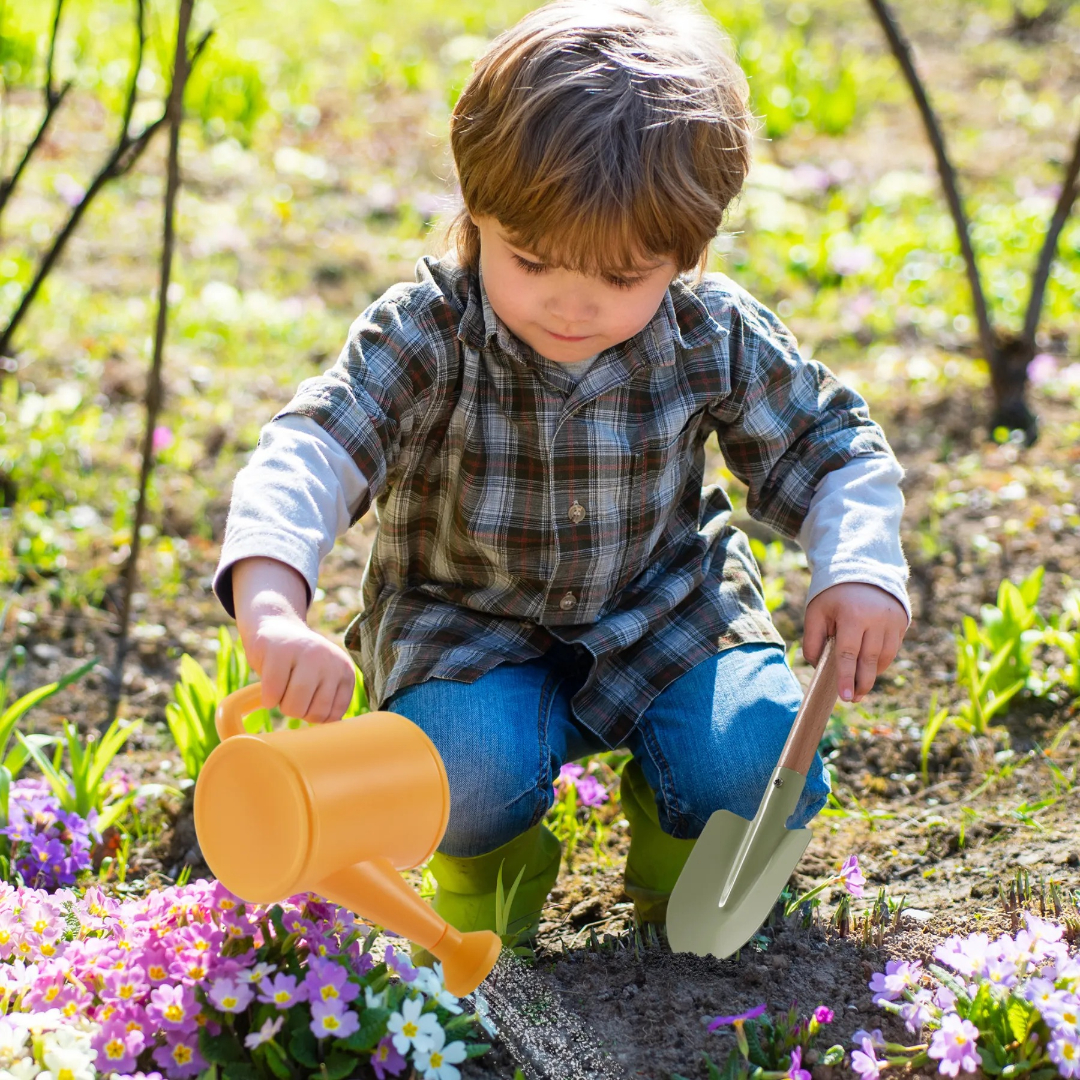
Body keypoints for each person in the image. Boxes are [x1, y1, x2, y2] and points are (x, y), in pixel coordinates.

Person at [212, 0, 910, 956]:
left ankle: (678, 874)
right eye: (531, 260)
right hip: (465, 626)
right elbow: (312, 452)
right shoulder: (430, 332)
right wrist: (271, 604)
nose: (571, 306)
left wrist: (861, 565)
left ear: (687, 253)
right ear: (476, 214)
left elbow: (830, 446)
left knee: (752, 756)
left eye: (622, 278)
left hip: (663, 609)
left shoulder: (707, 333)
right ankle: (492, 875)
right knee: (457, 769)